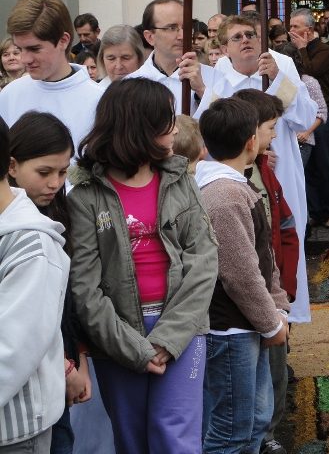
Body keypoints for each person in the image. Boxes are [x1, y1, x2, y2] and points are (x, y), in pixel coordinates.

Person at [67, 78, 218, 453]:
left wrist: (169, 337)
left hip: (182, 328)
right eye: (166, 120)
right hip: (117, 334)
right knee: (132, 440)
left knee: (176, 435)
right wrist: (134, 348)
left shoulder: (181, 181)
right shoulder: (85, 197)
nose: (175, 128)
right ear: (140, 128)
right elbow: (85, 287)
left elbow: (203, 261)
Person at [198, 14, 317, 325]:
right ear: (224, 49)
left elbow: (305, 118)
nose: (245, 41)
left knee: (284, 239)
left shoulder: (280, 64)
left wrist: (278, 79)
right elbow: (207, 128)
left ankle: (284, 318)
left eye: (250, 34)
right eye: (236, 38)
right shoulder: (220, 74)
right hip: (239, 176)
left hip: (281, 174)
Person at [195, 97, 288, 454]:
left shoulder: (234, 186)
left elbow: (263, 257)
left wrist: (276, 307)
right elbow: (240, 273)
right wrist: (272, 322)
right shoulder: (224, 194)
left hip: (249, 324)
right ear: (251, 140)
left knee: (255, 420)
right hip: (231, 327)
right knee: (230, 430)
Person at [230, 89, 299, 454]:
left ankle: (267, 432)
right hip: (248, 298)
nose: (275, 137)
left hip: (272, 291)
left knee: (273, 371)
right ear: (251, 133)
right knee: (248, 378)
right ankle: (255, 436)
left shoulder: (265, 172)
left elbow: (284, 226)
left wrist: (285, 286)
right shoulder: (235, 183)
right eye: (271, 128)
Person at [0, 116, 71, 453]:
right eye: (45, 172)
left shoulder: (31, 245)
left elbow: (13, 349)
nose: (55, 183)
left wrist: (74, 362)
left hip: (14, 430)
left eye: (61, 172)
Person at [0, 0, 103, 152]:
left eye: (34, 48)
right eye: (20, 49)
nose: (25, 59)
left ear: (63, 40)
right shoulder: (10, 95)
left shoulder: (101, 100)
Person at [288, 7, 329, 228]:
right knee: (307, 166)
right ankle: (315, 211)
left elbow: (309, 71)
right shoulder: (290, 50)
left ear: (308, 30)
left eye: (295, 27)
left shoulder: (323, 50)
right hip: (301, 113)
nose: (291, 30)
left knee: (326, 163)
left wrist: (301, 49)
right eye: (290, 26)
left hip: (322, 114)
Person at [129, 0, 214, 115]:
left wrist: (201, 90)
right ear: (150, 37)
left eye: (186, 27)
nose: (182, 36)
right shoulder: (130, 87)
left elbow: (230, 127)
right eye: (171, 28)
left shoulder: (215, 78)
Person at [274, 42, 327, 167]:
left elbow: (322, 111)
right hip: (278, 141)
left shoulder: (308, 82)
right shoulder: (271, 81)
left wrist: (306, 132)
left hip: (301, 141)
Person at [96, 25, 146, 90]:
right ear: (102, 60)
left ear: (139, 58)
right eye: (111, 58)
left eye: (125, 58)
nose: (118, 66)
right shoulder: (94, 95)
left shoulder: (154, 93)